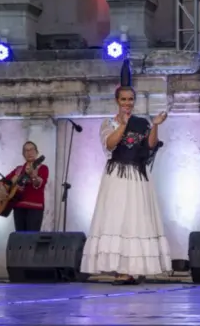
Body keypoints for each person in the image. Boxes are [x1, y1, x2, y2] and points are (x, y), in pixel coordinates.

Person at [80, 60, 172, 285]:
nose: (127, 103)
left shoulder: (142, 123)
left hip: (137, 176)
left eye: (131, 99)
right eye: (123, 99)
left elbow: (150, 145)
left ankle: (134, 269)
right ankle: (120, 268)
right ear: (117, 101)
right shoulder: (109, 123)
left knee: (136, 220)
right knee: (117, 219)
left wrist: (155, 125)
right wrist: (122, 125)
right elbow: (110, 145)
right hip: (117, 176)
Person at [0, 141, 48, 232]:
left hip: (35, 209)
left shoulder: (43, 168)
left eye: (31, 149)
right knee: (20, 237)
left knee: (32, 238)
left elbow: (38, 184)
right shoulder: (18, 169)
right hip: (18, 208)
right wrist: (3, 190)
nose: (29, 152)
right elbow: (0, 183)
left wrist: (34, 176)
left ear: (36, 152)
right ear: (23, 154)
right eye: (26, 150)